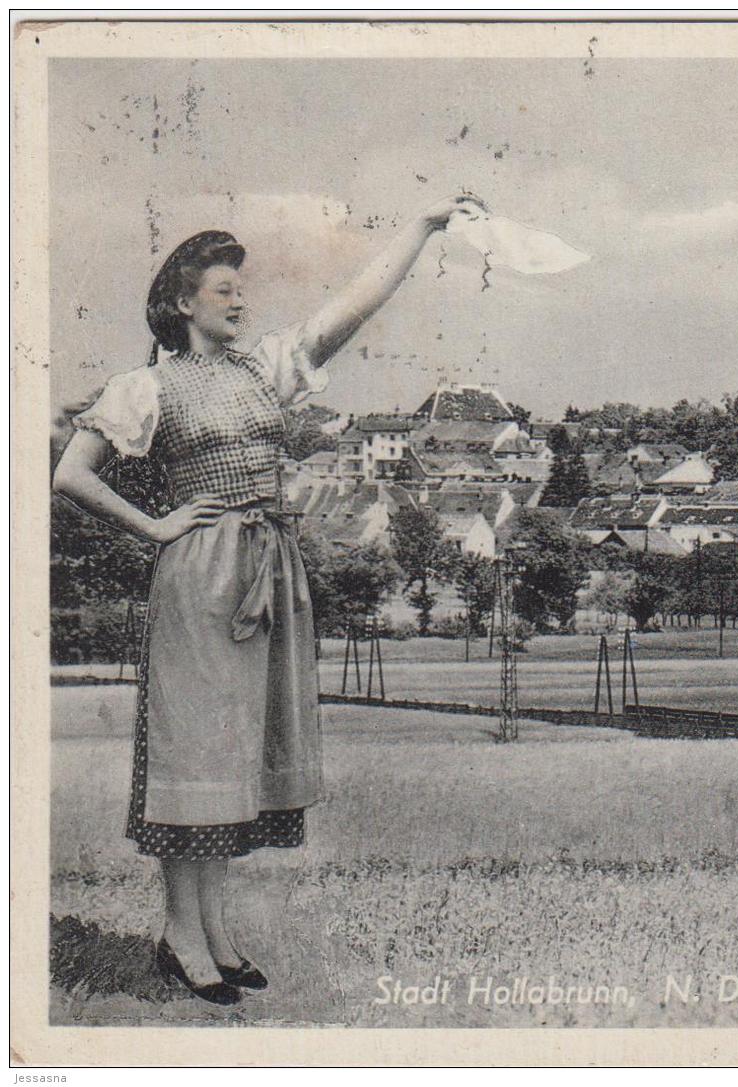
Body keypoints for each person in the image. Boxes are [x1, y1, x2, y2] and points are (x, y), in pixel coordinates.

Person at [52, 195, 484, 1005]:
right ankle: (181, 934)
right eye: (223, 289)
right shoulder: (145, 385)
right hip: (199, 572)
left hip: (270, 569)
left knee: (235, 752)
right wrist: (155, 525)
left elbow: (352, 306)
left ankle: (211, 933)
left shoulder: (264, 369)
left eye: (240, 289)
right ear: (183, 303)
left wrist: (420, 228)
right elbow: (71, 473)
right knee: (195, 751)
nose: (240, 299)